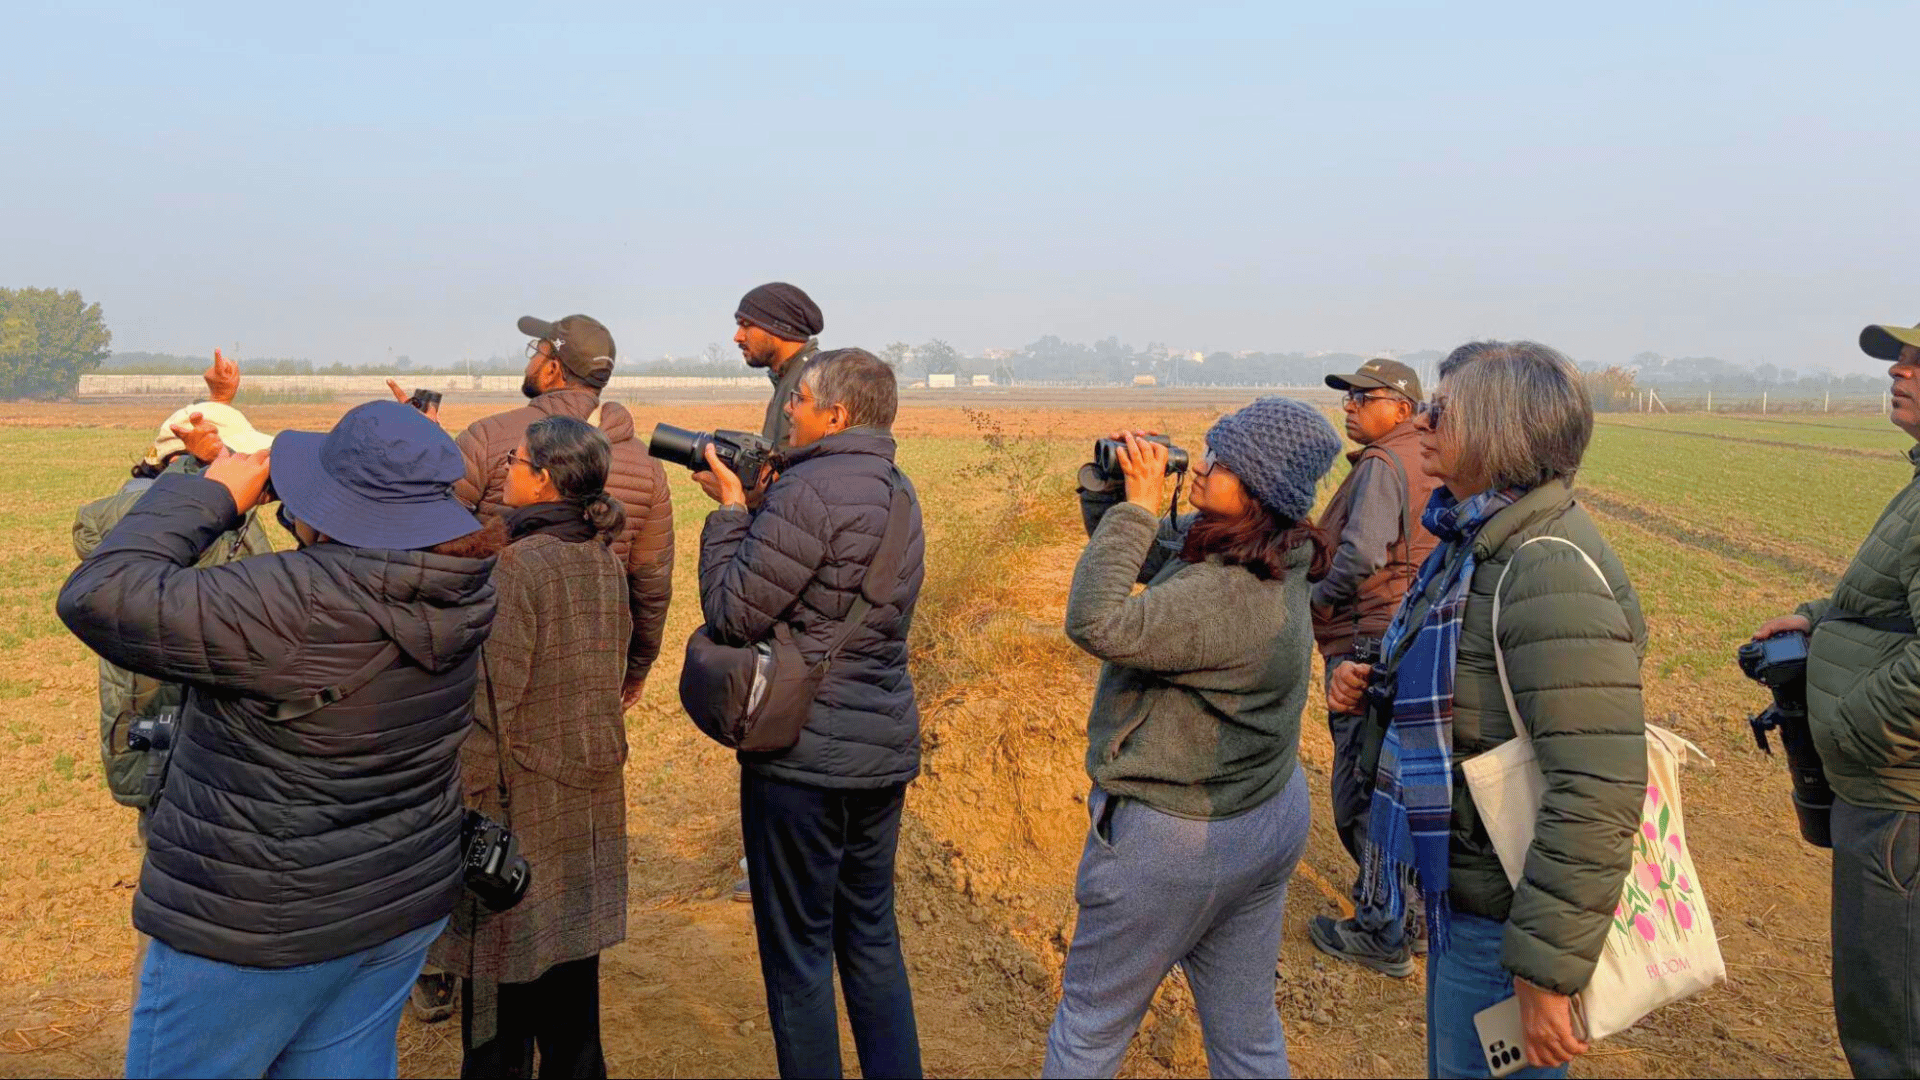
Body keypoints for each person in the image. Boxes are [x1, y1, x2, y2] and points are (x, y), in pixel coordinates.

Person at [57, 400, 502, 1079]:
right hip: (397, 899)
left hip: (260, 924)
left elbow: (99, 592)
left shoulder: (293, 603)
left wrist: (208, 496)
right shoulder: (459, 586)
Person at [1329, 341, 1646, 1078]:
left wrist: (1541, 976)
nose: (1426, 422)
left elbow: (1596, 788)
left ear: (1502, 433)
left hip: (1507, 925)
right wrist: (1373, 680)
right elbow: (1462, 682)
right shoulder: (1474, 541)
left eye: (1445, 411)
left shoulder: (1545, 568)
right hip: (1466, 897)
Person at [1045, 397, 1341, 1079]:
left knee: (1088, 1030)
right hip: (1263, 816)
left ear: (1260, 488)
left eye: (1221, 460)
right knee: (1246, 1037)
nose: (1202, 465)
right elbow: (1156, 551)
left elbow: (1096, 620)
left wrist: (1141, 506)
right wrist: (1117, 493)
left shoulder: (1231, 597)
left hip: (1176, 840)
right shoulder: (1275, 550)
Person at [398, 313, 673, 1020]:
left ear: (552, 367)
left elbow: (420, 540)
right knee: (567, 951)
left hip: (503, 697)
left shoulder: (493, 440)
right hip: (584, 701)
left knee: (500, 956)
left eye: (537, 348)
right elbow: (651, 579)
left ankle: (442, 970)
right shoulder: (638, 467)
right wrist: (633, 670)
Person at [693, 347, 926, 1079]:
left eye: (800, 400)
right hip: (880, 746)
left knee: (797, 952)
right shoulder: (900, 490)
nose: (787, 410)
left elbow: (732, 614)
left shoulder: (809, 491)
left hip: (802, 759)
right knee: (870, 938)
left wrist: (732, 514)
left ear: (837, 414)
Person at [429, 416, 632, 1079]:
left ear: (542, 477)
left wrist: (457, 814)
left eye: (514, 460)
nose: (504, 470)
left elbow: (489, 711)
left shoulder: (515, 568)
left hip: (519, 816)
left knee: (497, 1021)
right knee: (574, 1014)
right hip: (587, 806)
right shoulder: (601, 560)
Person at [1751, 318, 1920, 1078]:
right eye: (1899, 360)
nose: (1900, 371)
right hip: (1886, 788)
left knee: (1894, 1011)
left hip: (1897, 796)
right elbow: (1895, 603)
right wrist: (1820, 619)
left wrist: (1850, 725)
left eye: (1917, 361)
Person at [72, 350, 275, 842]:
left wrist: (218, 406)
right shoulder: (145, 515)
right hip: (164, 713)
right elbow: (187, 547)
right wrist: (200, 471)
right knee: (176, 838)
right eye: (236, 457)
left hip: (204, 714)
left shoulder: (200, 508)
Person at [1308, 357, 1441, 976]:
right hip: (1412, 637)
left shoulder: (1385, 465)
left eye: (1366, 396)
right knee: (1399, 785)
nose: (1350, 406)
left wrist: (1314, 598)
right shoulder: (1432, 455)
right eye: (1349, 396)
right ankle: (1408, 920)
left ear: (1403, 408)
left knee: (1360, 788)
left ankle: (1383, 928)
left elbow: (1360, 553)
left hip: (1368, 638)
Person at [713, 281, 825, 903]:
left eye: (744, 325)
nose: (737, 337)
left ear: (777, 329)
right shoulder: (796, 379)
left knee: (780, 711)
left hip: (790, 566)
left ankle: (776, 870)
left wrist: (744, 502)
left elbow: (795, 484)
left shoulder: (801, 385)